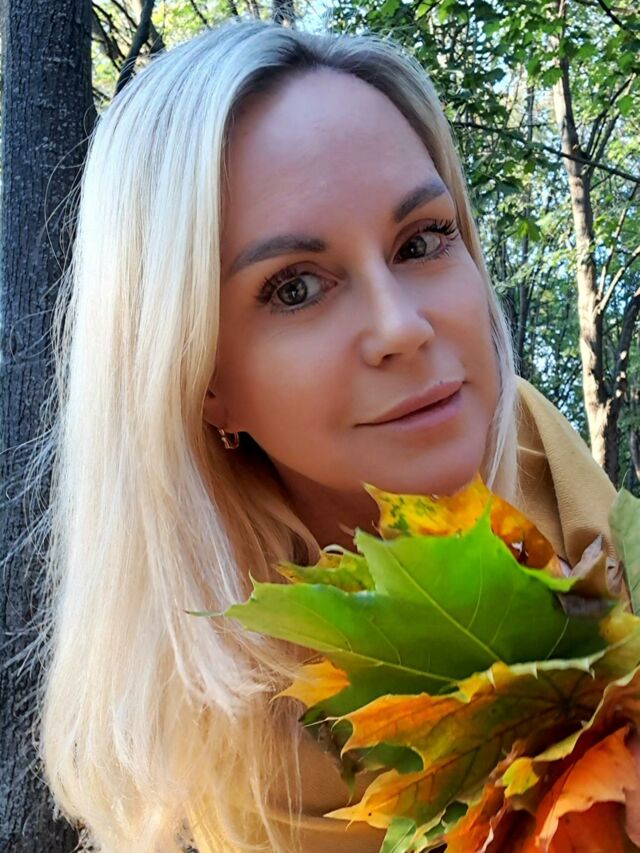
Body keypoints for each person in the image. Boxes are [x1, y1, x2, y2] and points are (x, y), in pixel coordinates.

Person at [35, 16, 617, 853]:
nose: (402, 326)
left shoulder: (541, 455)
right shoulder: (241, 770)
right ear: (199, 381)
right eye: (296, 288)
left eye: (422, 240)